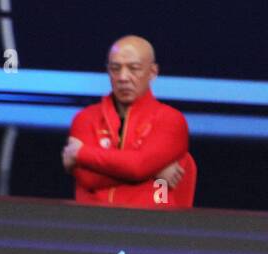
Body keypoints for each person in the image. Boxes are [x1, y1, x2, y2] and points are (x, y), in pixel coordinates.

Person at [63, 35, 195, 208]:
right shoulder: (86, 118)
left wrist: (80, 154)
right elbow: (88, 178)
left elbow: (138, 166)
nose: (123, 77)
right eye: (115, 69)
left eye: (134, 68)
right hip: (93, 223)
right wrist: (152, 171)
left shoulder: (170, 120)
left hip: (153, 224)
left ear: (153, 72)